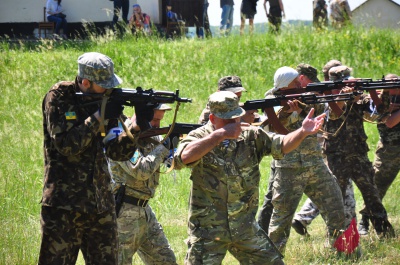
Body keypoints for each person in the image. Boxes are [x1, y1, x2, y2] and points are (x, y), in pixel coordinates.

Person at [175, 90, 326, 264]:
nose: (233, 123)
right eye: (227, 120)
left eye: (235, 118)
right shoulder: (199, 137)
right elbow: (184, 158)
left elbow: (281, 145)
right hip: (208, 230)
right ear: (212, 119)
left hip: (244, 227)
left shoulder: (251, 135)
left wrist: (302, 132)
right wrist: (219, 135)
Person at [39, 52, 143, 264]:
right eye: (103, 85)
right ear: (85, 82)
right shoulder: (59, 97)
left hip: (101, 205)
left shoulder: (105, 100)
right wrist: (100, 116)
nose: (109, 90)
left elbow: (117, 153)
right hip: (64, 206)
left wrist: (137, 126)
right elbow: (67, 145)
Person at [257, 66, 348, 254]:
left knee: (337, 207)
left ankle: (346, 252)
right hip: (288, 169)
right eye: (296, 84)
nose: (301, 86)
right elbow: (271, 130)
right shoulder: (272, 100)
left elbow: (334, 113)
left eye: (300, 83)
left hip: (315, 165)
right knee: (281, 220)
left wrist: (328, 94)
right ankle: (272, 259)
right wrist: (288, 112)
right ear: (284, 87)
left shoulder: (308, 98)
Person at [319, 66, 395, 238]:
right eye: (344, 84)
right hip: (336, 156)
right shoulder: (328, 98)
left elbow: (381, 111)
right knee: (337, 198)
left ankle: (385, 233)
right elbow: (335, 114)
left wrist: (374, 91)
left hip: (358, 154)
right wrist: (342, 96)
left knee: (372, 194)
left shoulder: (358, 99)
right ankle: (337, 237)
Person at [105, 103, 177, 265]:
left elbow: (173, 161)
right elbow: (141, 170)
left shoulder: (152, 135)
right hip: (124, 210)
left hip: (145, 210)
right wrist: (165, 147)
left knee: (165, 260)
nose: (158, 125)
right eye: (155, 119)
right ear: (142, 115)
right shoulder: (122, 137)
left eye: (160, 120)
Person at [292, 61, 357, 236]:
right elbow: (334, 114)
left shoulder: (325, 93)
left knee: (341, 190)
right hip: (326, 150)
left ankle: (304, 219)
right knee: (333, 188)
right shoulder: (320, 95)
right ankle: (345, 233)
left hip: (334, 149)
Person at [358, 73, 400, 235]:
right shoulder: (378, 99)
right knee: (377, 185)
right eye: (391, 84)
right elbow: (390, 122)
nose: (395, 87)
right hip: (389, 149)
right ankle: (365, 218)